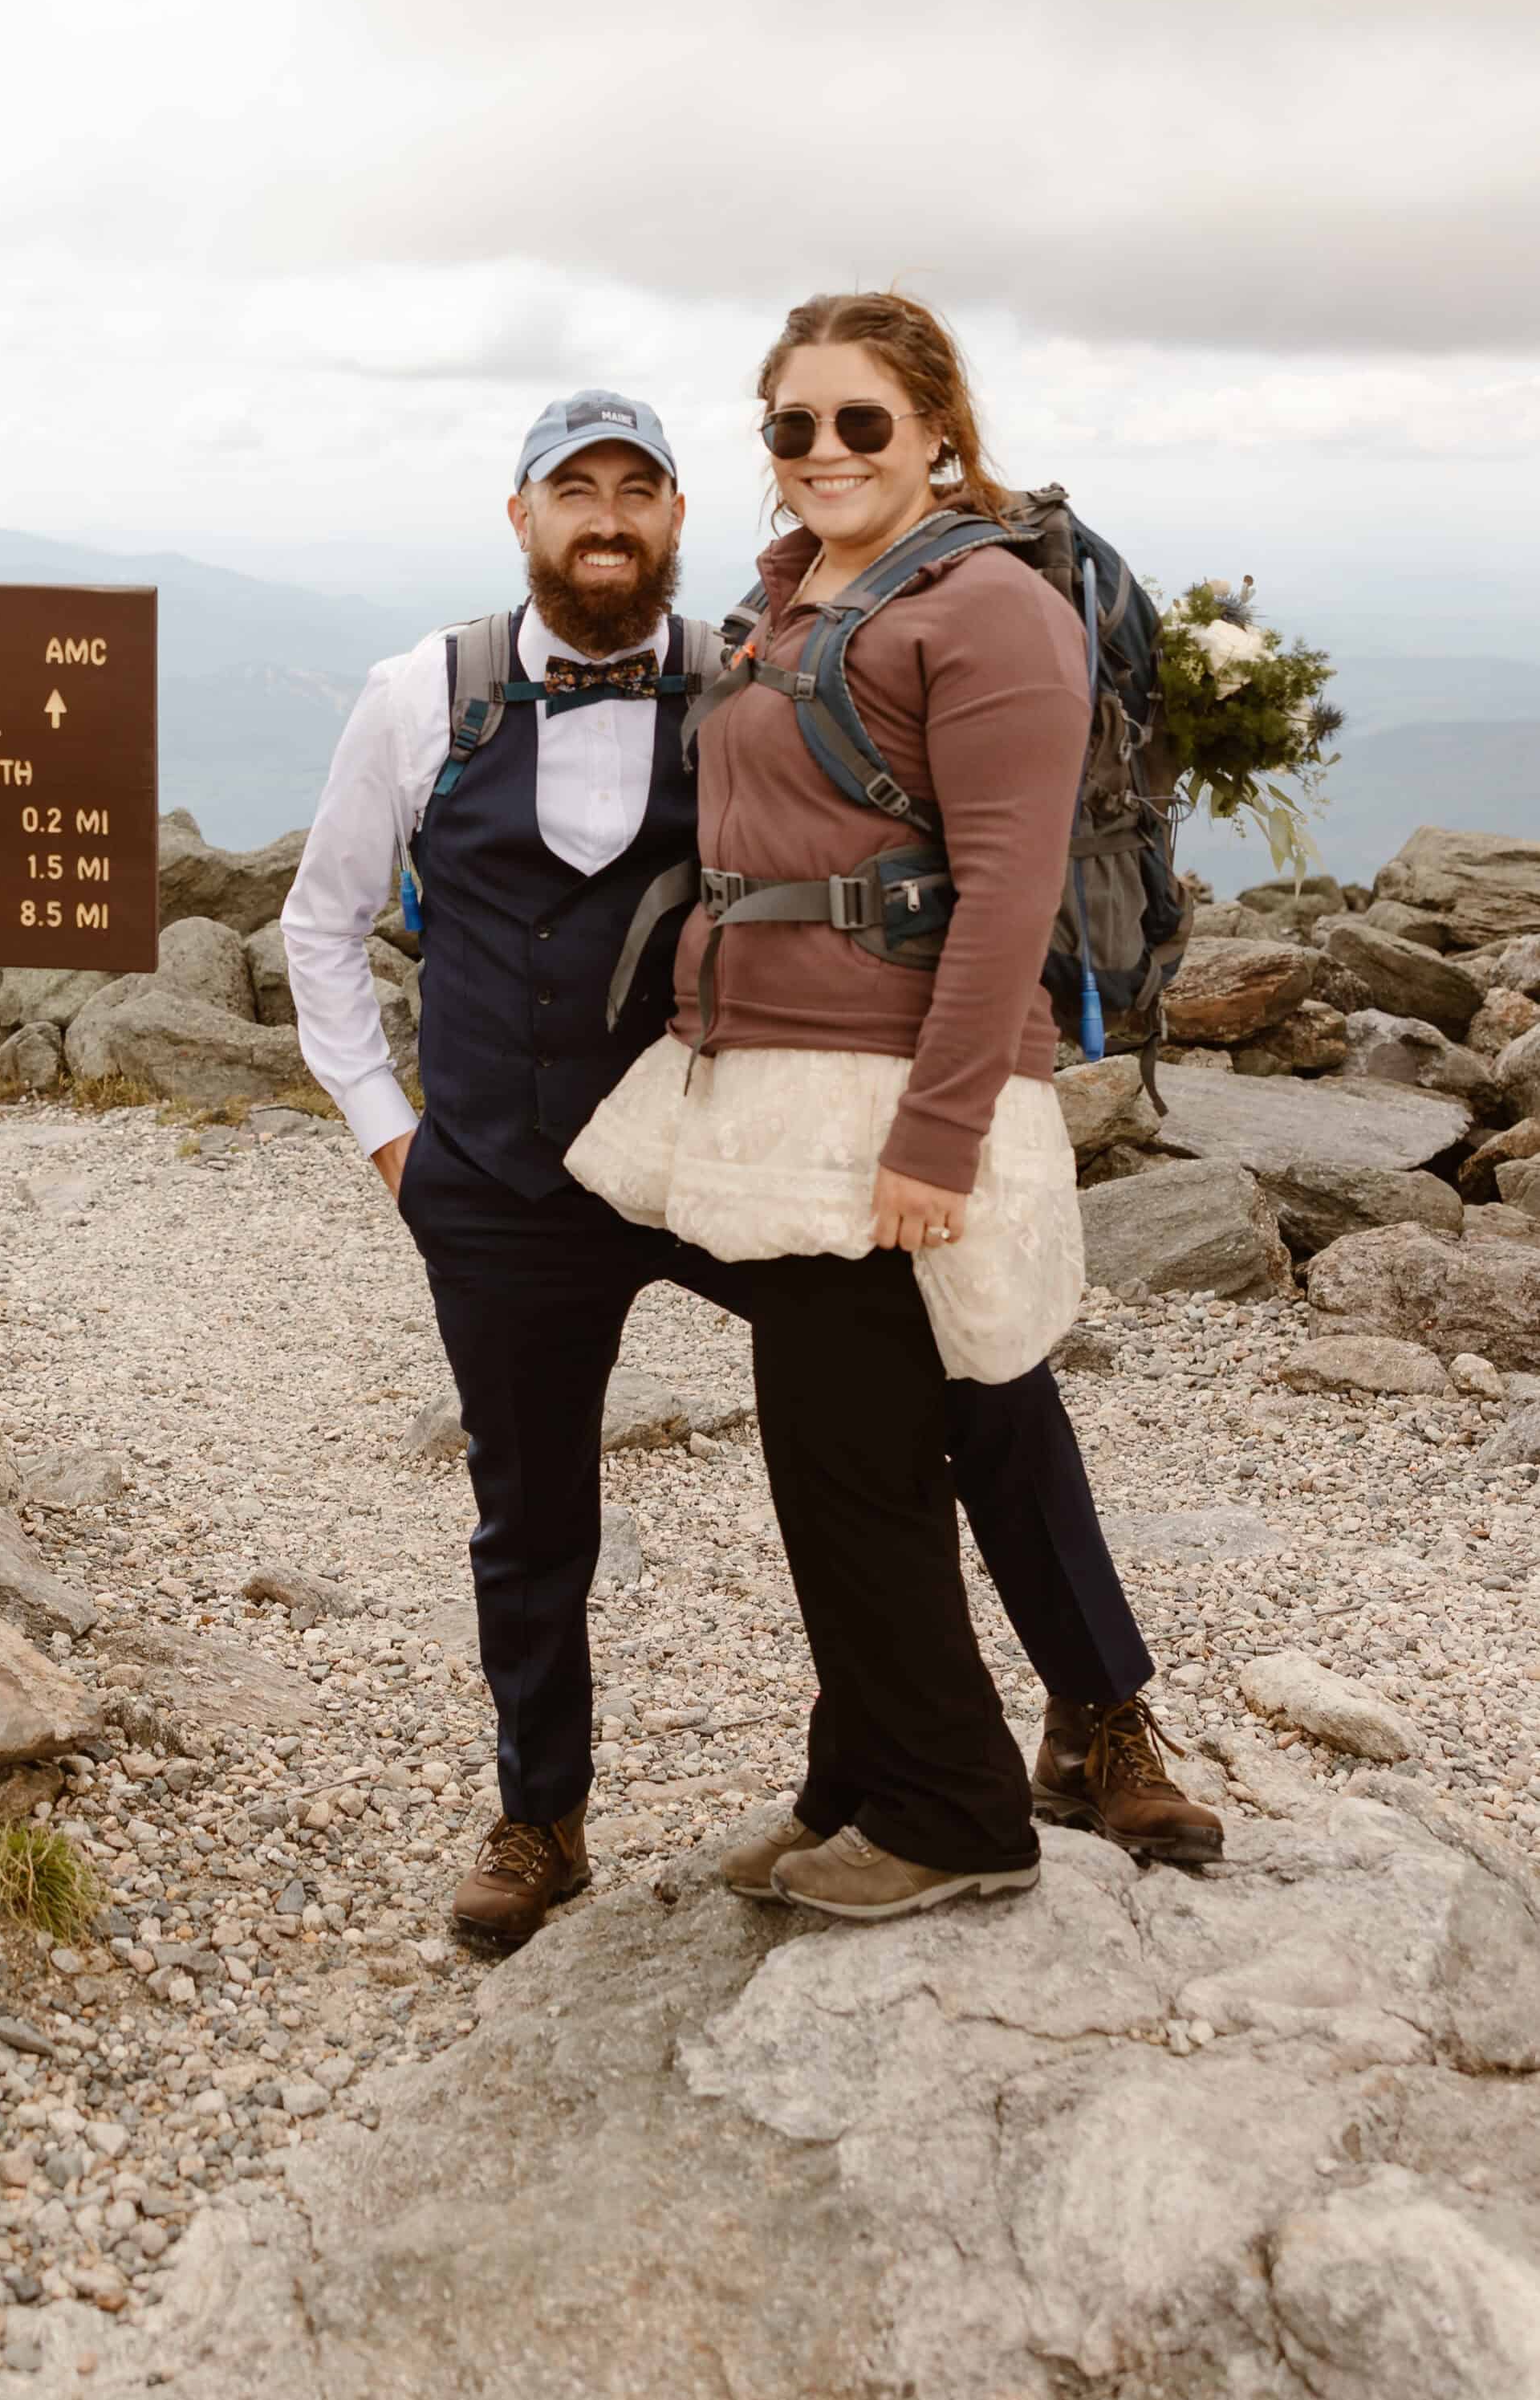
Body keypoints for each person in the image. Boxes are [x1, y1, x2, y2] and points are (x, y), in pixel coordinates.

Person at [282, 380, 1218, 1954]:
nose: (601, 515)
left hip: (719, 1145)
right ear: (517, 518)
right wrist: (389, 1131)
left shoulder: (749, 677)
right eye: (567, 489)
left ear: (675, 515)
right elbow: (321, 920)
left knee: (971, 1377)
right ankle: (540, 1813)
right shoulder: (416, 692)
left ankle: (1093, 1712)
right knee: (528, 1508)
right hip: (502, 1179)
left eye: (631, 486)